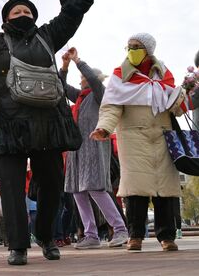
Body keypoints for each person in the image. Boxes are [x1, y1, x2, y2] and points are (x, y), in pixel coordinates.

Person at [0, 0, 93, 266]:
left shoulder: (47, 36)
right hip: (5, 126)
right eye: (16, 13)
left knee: (51, 185)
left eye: (27, 12)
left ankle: (47, 236)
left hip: (47, 123)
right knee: (10, 188)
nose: (23, 15)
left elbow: (75, 10)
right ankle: (18, 246)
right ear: (5, 19)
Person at [91, 33, 186, 252]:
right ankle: (135, 236)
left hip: (163, 137)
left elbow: (176, 107)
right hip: (133, 137)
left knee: (165, 190)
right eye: (129, 46)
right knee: (135, 190)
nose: (132, 50)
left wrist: (182, 98)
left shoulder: (164, 73)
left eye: (137, 46)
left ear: (149, 50)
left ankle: (167, 237)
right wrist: (104, 127)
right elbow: (111, 106)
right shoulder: (119, 76)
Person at [60, 48, 128, 249]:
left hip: (95, 147)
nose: (81, 80)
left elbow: (93, 79)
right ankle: (91, 235)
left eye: (83, 77)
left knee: (96, 188)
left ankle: (120, 229)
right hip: (77, 150)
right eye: (80, 77)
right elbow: (61, 86)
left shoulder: (100, 94)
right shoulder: (80, 97)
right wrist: (64, 66)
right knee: (77, 192)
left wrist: (78, 61)